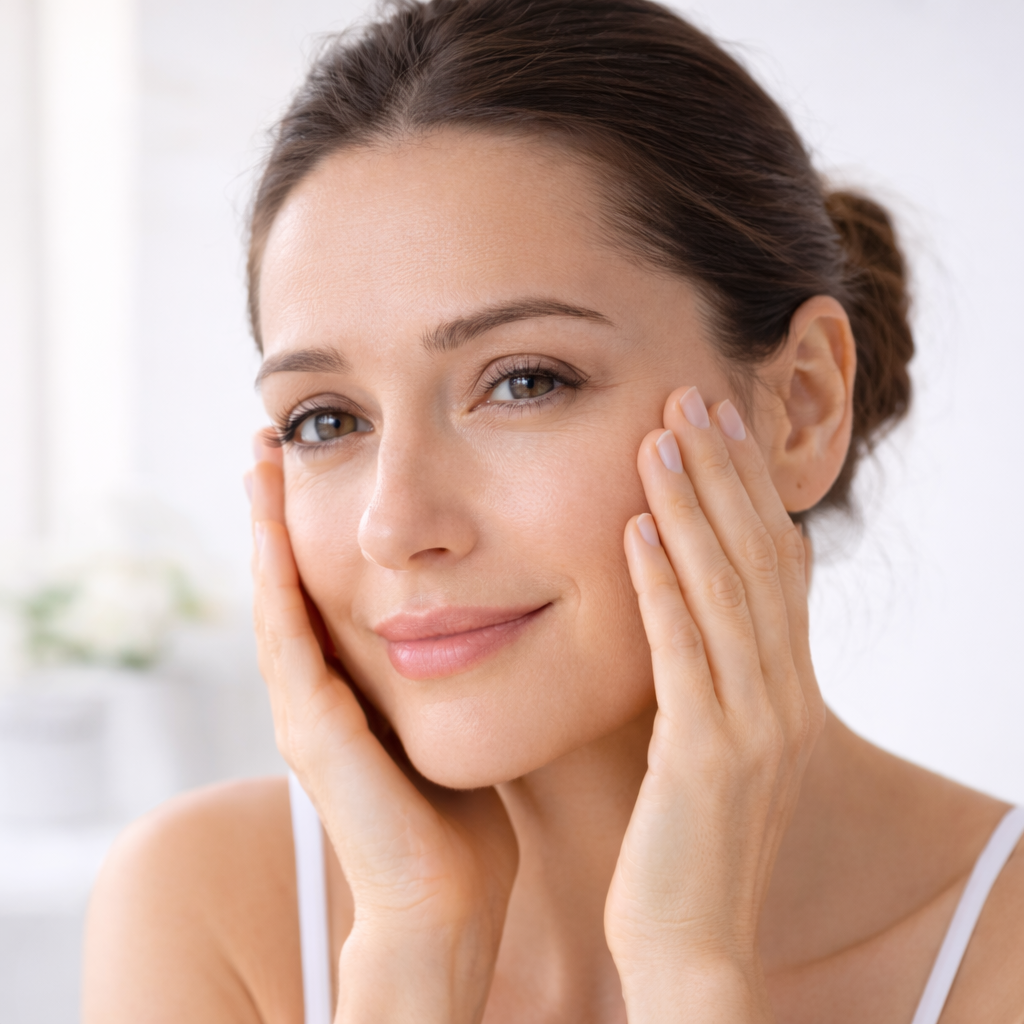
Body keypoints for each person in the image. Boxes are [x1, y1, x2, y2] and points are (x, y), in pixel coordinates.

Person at [82, 1, 1024, 1021]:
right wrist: (411, 949)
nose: (394, 525)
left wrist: (689, 968)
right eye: (325, 420)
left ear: (800, 405)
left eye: (525, 382)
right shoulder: (211, 909)